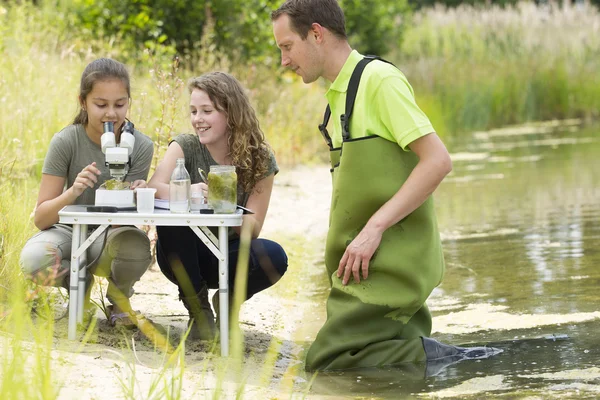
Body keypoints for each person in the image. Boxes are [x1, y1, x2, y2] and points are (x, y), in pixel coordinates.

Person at [272, 0, 501, 371]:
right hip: (362, 266)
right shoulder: (336, 98)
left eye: (286, 47)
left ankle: (458, 360)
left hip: (393, 260)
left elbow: (438, 161)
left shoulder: (379, 81)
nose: (283, 60)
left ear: (316, 34)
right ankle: (435, 356)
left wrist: (374, 228)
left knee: (327, 363)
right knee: (348, 360)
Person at [148, 72, 288, 341]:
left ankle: (227, 303)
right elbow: (153, 188)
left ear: (231, 113)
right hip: (182, 255)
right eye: (193, 111)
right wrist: (186, 192)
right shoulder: (184, 146)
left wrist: (221, 207)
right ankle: (198, 311)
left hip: (226, 252)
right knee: (173, 217)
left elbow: (254, 227)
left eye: (206, 111)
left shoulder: (260, 158)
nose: (197, 119)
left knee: (275, 256)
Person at [20, 58, 154, 329]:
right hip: (67, 232)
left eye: (120, 104)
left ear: (129, 101)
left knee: (135, 246)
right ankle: (80, 287)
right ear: (83, 102)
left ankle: (118, 298)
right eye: (101, 105)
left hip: (108, 235)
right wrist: (73, 191)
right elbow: (41, 219)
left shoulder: (140, 146)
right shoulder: (66, 141)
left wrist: (136, 198)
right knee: (35, 261)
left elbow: (126, 225)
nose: (111, 114)